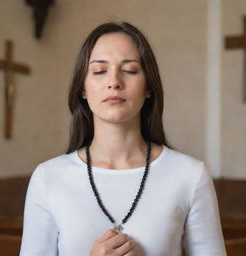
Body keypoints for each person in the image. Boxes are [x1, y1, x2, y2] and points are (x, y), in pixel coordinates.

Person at [19, 22, 227, 256]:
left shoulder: (190, 175)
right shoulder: (48, 177)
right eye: (99, 71)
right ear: (83, 89)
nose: (114, 82)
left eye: (129, 70)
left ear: (148, 87)